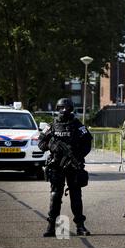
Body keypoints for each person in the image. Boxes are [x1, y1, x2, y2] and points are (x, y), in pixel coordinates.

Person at [38, 98, 92, 237]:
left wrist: (77, 156)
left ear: (71, 109)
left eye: (67, 108)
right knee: (55, 196)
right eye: (61, 108)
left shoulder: (77, 125)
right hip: (56, 166)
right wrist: (52, 145)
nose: (64, 111)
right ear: (57, 108)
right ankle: (51, 226)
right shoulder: (52, 126)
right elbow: (41, 143)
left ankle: (80, 226)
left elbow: (87, 143)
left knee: (76, 196)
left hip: (73, 166)